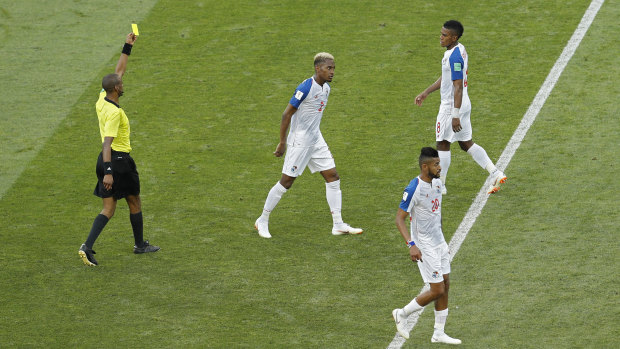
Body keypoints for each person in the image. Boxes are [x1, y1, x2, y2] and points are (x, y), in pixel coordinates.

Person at [254, 53, 362, 238]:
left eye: (334, 68)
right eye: (329, 68)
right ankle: (262, 220)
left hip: (316, 139)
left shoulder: (326, 88)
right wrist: (282, 142)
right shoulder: (305, 88)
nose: (332, 72)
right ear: (317, 68)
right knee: (286, 182)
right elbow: (286, 114)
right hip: (300, 141)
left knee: (333, 176)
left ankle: (338, 224)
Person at [78, 33, 159, 266]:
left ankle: (87, 246)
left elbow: (118, 71)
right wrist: (110, 172)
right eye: (121, 84)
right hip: (118, 162)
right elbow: (107, 143)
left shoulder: (102, 98)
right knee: (134, 201)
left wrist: (127, 47)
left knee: (109, 208)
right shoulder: (114, 113)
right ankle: (140, 245)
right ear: (115, 89)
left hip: (104, 161)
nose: (124, 83)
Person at [414, 20, 506, 195]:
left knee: (442, 143)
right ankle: (495, 173)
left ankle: (440, 185)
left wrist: (454, 114)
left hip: (452, 106)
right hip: (463, 104)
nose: (440, 37)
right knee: (465, 143)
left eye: (444, 35)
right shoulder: (459, 50)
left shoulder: (454, 56)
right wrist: (427, 92)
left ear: (453, 37)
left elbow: (457, 86)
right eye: (441, 33)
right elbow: (446, 77)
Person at [391, 147, 461, 344]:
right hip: (424, 245)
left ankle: (438, 332)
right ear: (425, 166)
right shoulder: (414, 188)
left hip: (439, 242)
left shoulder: (437, 184)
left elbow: (436, 214)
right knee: (437, 289)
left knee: (446, 284)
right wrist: (411, 245)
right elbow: (399, 219)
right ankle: (402, 314)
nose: (440, 167)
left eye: (439, 163)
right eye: (436, 164)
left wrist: (442, 241)